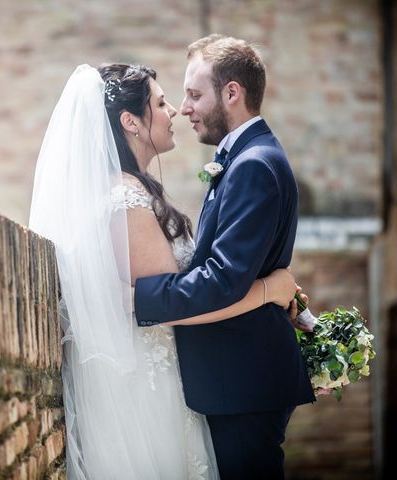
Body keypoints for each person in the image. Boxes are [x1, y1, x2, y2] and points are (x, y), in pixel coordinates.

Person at [29, 63, 298, 479]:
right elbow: (179, 301)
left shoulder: (125, 190)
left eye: (187, 96)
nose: (174, 110)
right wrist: (270, 289)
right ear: (130, 122)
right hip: (153, 388)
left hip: (168, 379)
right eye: (161, 102)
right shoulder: (127, 198)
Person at [133, 35, 316, 479]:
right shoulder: (245, 158)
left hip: (243, 387)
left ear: (232, 93)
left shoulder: (252, 164)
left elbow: (222, 280)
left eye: (195, 94)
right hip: (237, 382)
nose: (185, 107)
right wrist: (274, 289)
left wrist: (142, 298)